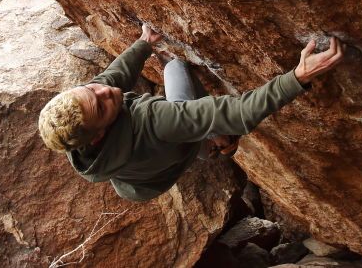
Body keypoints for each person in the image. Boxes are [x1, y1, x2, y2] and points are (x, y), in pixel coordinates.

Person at [38, 23, 345, 202]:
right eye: (102, 105)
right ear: (98, 135)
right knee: (175, 67)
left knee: (172, 135)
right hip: (171, 145)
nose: (104, 92)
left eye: (90, 89)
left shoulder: (77, 135)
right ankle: (215, 142)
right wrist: (298, 77)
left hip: (143, 179)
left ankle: (205, 148)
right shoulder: (156, 121)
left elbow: (111, 78)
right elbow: (238, 112)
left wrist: (144, 44)